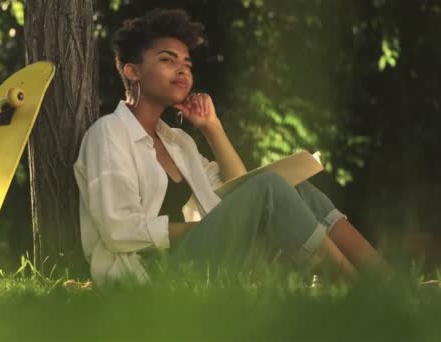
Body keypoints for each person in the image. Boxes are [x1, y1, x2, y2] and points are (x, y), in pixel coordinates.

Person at [73, 8, 390, 287]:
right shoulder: (109, 134)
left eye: (187, 63)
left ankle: (387, 282)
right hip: (150, 277)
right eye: (168, 60)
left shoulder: (177, 142)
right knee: (269, 188)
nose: (183, 70)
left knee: (297, 188)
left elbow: (241, 189)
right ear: (132, 71)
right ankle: (356, 291)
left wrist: (213, 129)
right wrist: (208, 228)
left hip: (203, 259)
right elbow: (119, 230)